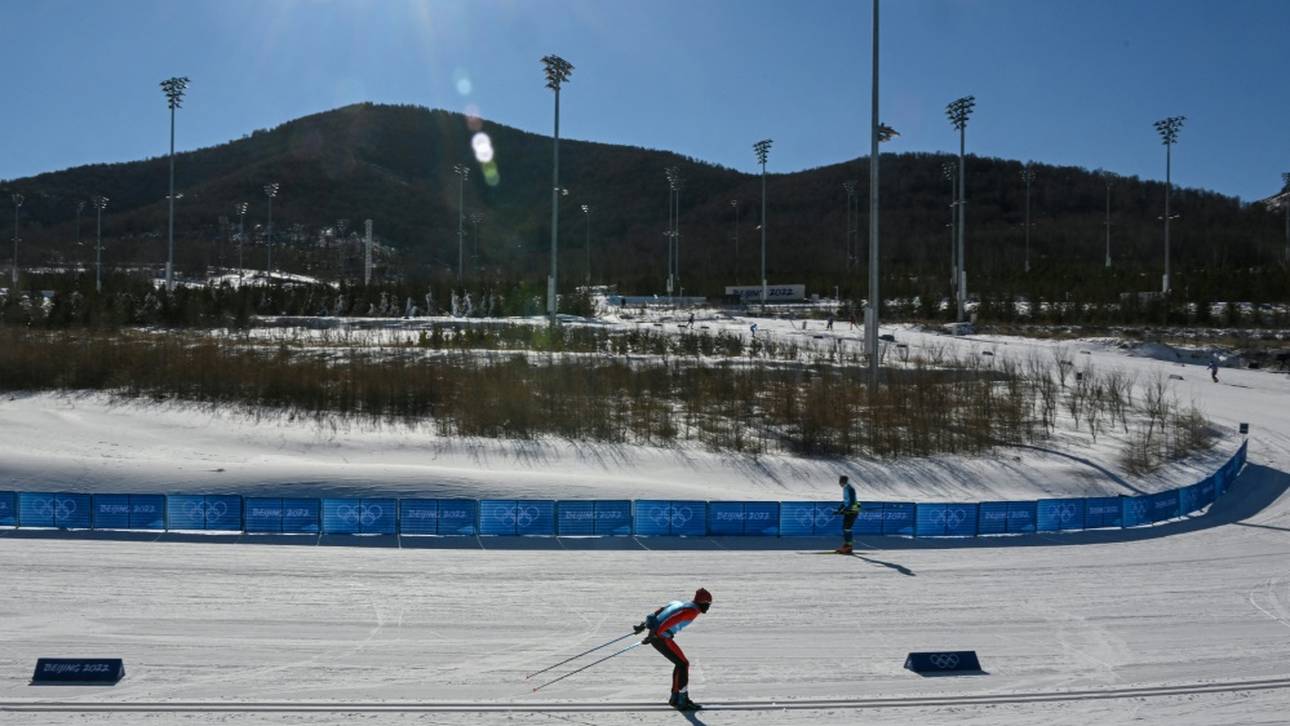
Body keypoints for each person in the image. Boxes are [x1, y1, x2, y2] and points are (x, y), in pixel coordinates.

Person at [634, 588, 712, 711]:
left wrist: (643, 625)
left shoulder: (678, 603)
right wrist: (653, 635)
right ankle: (682, 700)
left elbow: (659, 612)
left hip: (658, 635)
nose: (708, 607)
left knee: (680, 663)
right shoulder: (692, 611)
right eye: (707, 604)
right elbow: (671, 620)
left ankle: (675, 698)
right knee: (683, 664)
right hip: (661, 637)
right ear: (702, 602)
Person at [835, 475, 860, 554]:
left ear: (843, 482)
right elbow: (845, 501)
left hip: (853, 511)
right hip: (849, 510)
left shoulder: (850, 489)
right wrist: (839, 509)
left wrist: (845, 510)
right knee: (845, 528)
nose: (839, 484)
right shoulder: (845, 488)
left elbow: (852, 502)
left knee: (847, 528)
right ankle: (846, 546)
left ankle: (848, 547)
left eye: (840, 482)